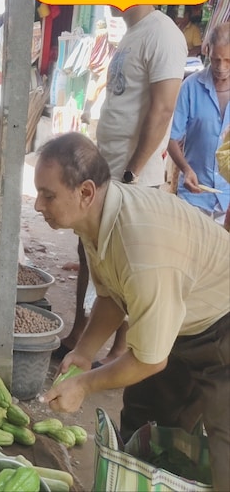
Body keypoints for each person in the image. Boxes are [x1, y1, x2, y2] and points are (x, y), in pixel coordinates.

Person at [35, 132, 229, 491]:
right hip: (181, 320)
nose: (37, 205)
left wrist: (84, 384)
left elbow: (150, 360)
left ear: (86, 192)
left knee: (225, 454)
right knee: (146, 420)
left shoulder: (141, 248)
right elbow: (112, 296)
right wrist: (85, 352)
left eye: (48, 196)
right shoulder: (94, 220)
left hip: (223, 325)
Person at [62, 0, 187, 365]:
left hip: (134, 175)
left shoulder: (163, 33)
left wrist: (132, 172)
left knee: (127, 263)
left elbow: (163, 108)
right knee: (90, 250)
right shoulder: (131, 34)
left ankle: (120, 350)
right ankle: (80, 333)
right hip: (107, 169)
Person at [167, 22, 230, 224]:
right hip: (194, 197)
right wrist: (186, 169)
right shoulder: (190, 87)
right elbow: (171, 138)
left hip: (227, 201)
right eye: (216, 60)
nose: (221, 67)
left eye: (228, 60)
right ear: (207, 50)